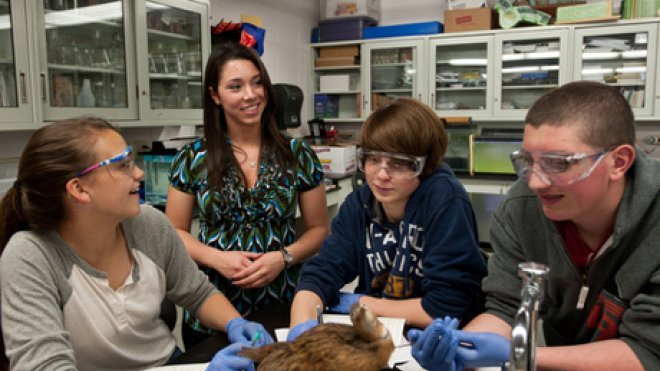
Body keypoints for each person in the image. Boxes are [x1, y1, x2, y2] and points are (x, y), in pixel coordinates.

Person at [409, 81, 660, 370]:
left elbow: (649, 351)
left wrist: (520, 354)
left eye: (559, 163)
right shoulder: (521, 209)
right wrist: (457, 347)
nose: (535, 182)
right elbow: (505, 308)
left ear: (618, 161)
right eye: (528, 161)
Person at [0, 117, 272, 371]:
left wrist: (235, 322)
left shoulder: (149, 224)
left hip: (167, 364)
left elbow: (197, 293)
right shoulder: (30, 256)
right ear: (79, 189)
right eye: (123, 164)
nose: (139, 173)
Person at [166, 42, 329, 348]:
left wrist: (283, 257)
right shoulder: (192, 158)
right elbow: (173, 231)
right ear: (215, 95)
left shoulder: (297, 155)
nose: (251, 95)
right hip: (212, 307)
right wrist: (217, 259)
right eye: (235, 86)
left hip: (282, 302)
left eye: (257, 83)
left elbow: (320, 229)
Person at [288, 98, 487, 340]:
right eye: (372, 159)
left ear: (426, 166)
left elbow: (445, 309)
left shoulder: (444, 200)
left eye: (399, 164)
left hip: (442, 341)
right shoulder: (360, 204)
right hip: (383, 335)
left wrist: (363, 303)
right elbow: (319, 275)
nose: (381, 175)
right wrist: (299, 334)